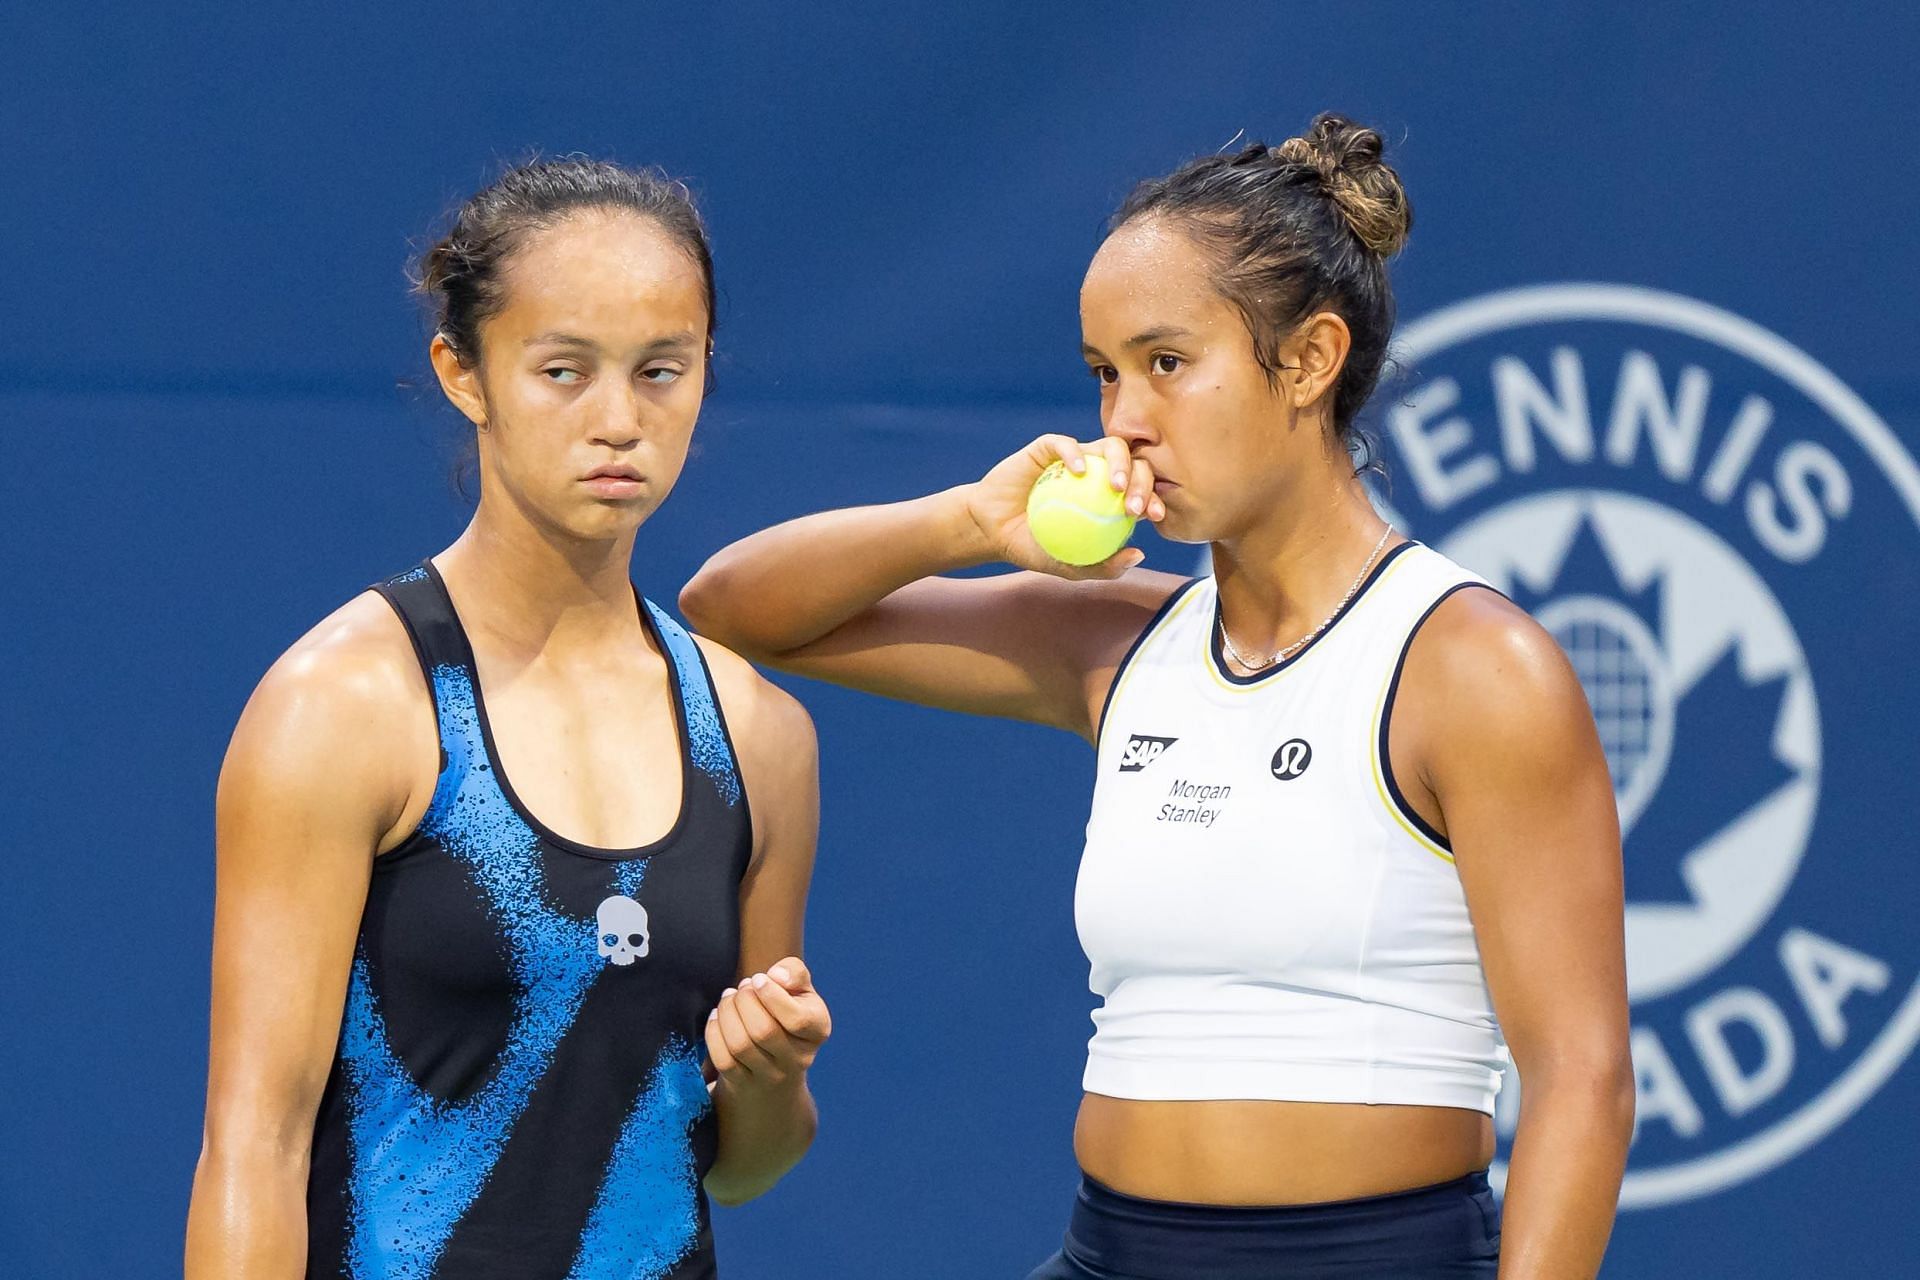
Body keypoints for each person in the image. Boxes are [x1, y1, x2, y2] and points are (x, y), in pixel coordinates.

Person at [681, 115, 1632, 1278]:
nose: (1123, 419)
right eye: (1105, 374)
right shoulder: (1121, 644)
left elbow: (1584, 1078)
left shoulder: (1474, 666)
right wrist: (969, 523)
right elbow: (734, 606)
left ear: (1311, 358)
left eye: (1167, 362)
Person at [185, 158, 830, 1279]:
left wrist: (768, 1079)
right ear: (464, 372)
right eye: (563, 370)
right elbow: (255, 1146)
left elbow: (735, 1163)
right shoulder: (340, 707)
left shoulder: (761, 736)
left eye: (661, 371)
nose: (620, 420)